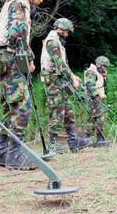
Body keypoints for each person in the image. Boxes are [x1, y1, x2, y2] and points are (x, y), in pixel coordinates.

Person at [0, 0, 50, 170]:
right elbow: (17, 33)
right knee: (23, 104)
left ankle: (1, 151)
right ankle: (15, 154)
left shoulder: (13, 4)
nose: (40, 1)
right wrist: (29, 58)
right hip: (10, 56)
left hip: (2, 57)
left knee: (10, 105)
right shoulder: (20, 4)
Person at [40, 18, 90, 153]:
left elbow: (64, 65)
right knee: (56, 112)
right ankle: (54, 145)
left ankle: (74, 143)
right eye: (67, 32)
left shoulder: (58, 43)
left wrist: (73, 76)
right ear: (60, 29)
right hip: (54, 81)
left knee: (69, 111)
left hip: (61, 81)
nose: (67, 35)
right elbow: (59, 64)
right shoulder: (52, 42)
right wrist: (72, 78)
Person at [84, 56, 111, 147]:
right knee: (93, 117)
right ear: (99, 64)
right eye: (104, 66)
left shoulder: (99, 73)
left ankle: (100, 138)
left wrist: (104, 76)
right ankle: (86, 138)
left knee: (99, 118)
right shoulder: (91, 72)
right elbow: (89, 85)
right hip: (92, 98)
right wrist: (97, 95)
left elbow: (103, 85)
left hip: (98, 98)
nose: (105, 68)